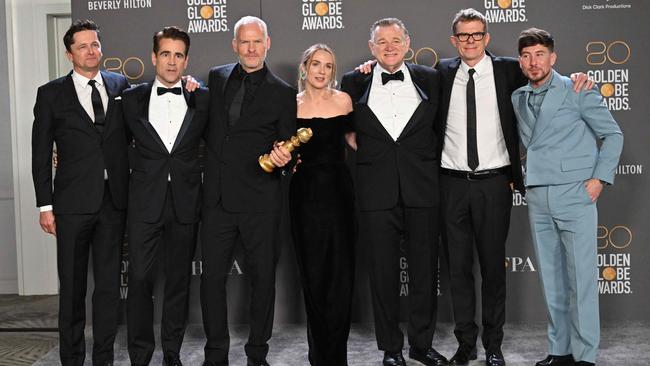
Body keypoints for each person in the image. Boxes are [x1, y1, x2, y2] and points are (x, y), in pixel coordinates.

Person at [512, 28, 623, 366]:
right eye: (527, 56)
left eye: (540, 54)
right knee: (552, 279)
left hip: (576, 193)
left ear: (553, 57)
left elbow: (613, 134)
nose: (534, 62)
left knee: (582, 280)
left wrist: (599, 180)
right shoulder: (517, 97)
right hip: (538, 195)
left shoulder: (577, 89)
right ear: (520, 61)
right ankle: (559, 351)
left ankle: (585, 355)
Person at [340, 18, 445, 366]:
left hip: (422, 189)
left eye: (395, 40)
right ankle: (391, 348)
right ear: (371, 47)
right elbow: (340, 127)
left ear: (407, 43)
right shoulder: (354, 81)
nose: (389, 46)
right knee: (382, 275)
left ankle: (421, 344)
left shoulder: (431, 79)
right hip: (374, 191)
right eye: (381, 41)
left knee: (424, 274)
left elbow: (444, 129)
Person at [31, 19, 130, 366]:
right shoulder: (50, 93)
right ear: (69, 53)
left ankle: (104, 358)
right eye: (83, 46)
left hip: (113, 202)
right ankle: (72, 359)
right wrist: (45, 205)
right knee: (72, 288)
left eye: (96, 45)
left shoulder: (120, 84)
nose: (91, 51)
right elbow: (40, 153)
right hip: (71, 206)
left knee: (106, 290)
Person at [200, 16, 296, 366]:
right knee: (211, 280)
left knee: (262, 281)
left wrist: (286, 157)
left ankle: (257, 353)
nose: (251, 48)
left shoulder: (284, 93)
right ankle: (216, 354)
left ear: (267, 43)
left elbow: (289, 145)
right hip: (217, 200)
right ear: (234, 45)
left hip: (260, 200)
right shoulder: (216, 77)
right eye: (245, 42)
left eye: (257, 41)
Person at [121, 26, 209, 366]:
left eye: (178, 55)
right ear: (154, 57)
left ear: (186, 60)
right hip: (144, 202)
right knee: (140, 279)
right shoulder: (130, 99)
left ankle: (171, 352)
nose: (172, 62)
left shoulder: (201, 97)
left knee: (178, 282)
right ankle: (140, 355)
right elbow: (113, 147)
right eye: (166, 54)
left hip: (186, 202)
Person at [289, 44, 355, 366]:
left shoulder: (344, 101)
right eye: (316, 64)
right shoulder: (291, 105)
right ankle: (319, 356)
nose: (321, 71)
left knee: (340, 277)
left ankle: (337, 357)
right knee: (313, 276)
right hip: (304, 197)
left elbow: (360, 142)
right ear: (305, 67)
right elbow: (280, 151)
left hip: (340, 197)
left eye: (328, 66)